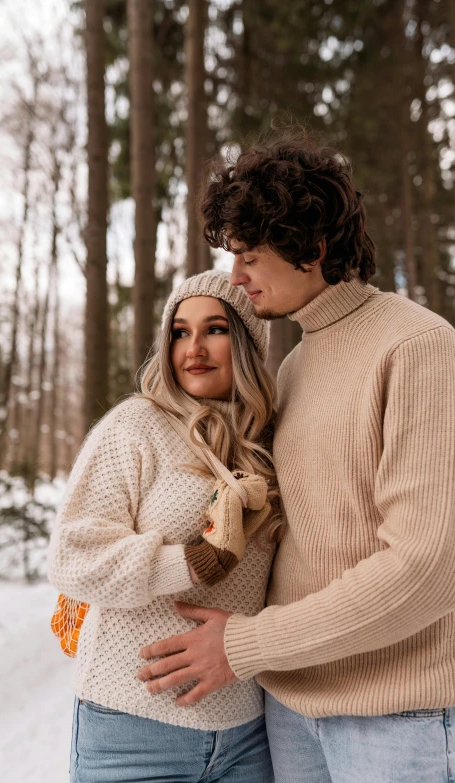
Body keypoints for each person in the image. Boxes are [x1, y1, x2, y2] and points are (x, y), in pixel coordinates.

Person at [137, 133, 455, 783]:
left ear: (313, 248)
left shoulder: (416, 348)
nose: (235, 277)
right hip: (289, 714)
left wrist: (243, 644)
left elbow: (426, 570)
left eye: (249, 255)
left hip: (393, 724)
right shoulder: (292, 366)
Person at [48, 270, 278, 783]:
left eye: (215, 329)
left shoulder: (268, 441)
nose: (193, 347)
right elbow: (72, 557)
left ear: (245, 341)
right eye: (179, 331)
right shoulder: (136, 426)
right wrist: (192, 561)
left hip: (249, 734)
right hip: (134, 733)